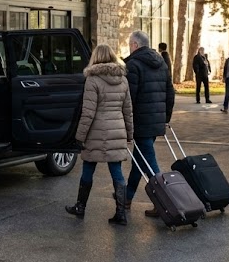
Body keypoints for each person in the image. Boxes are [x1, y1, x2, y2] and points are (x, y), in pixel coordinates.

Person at [65, 44, 134, 225]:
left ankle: (80, 206)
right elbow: (128, 110)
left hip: (95, 132)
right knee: (117, 172)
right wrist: (129, 133)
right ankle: (121, 213)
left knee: (88, 167)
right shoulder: (123, 79)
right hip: (117, 130)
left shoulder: (92, 80)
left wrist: (79, 136)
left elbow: (88, 113)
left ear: (95, 57)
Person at [124, 31, 175, 217]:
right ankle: (127, 197)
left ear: (135, 45)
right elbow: (171, 92)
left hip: (141, 122)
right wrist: (165, 117)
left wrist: (126, 123)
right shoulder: (161, 63)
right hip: (155, 121)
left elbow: (129, 99)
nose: (129, 47)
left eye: (130, 44)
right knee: (139, 161)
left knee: (151, 165)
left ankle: (166, 203)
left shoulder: (133, 65)